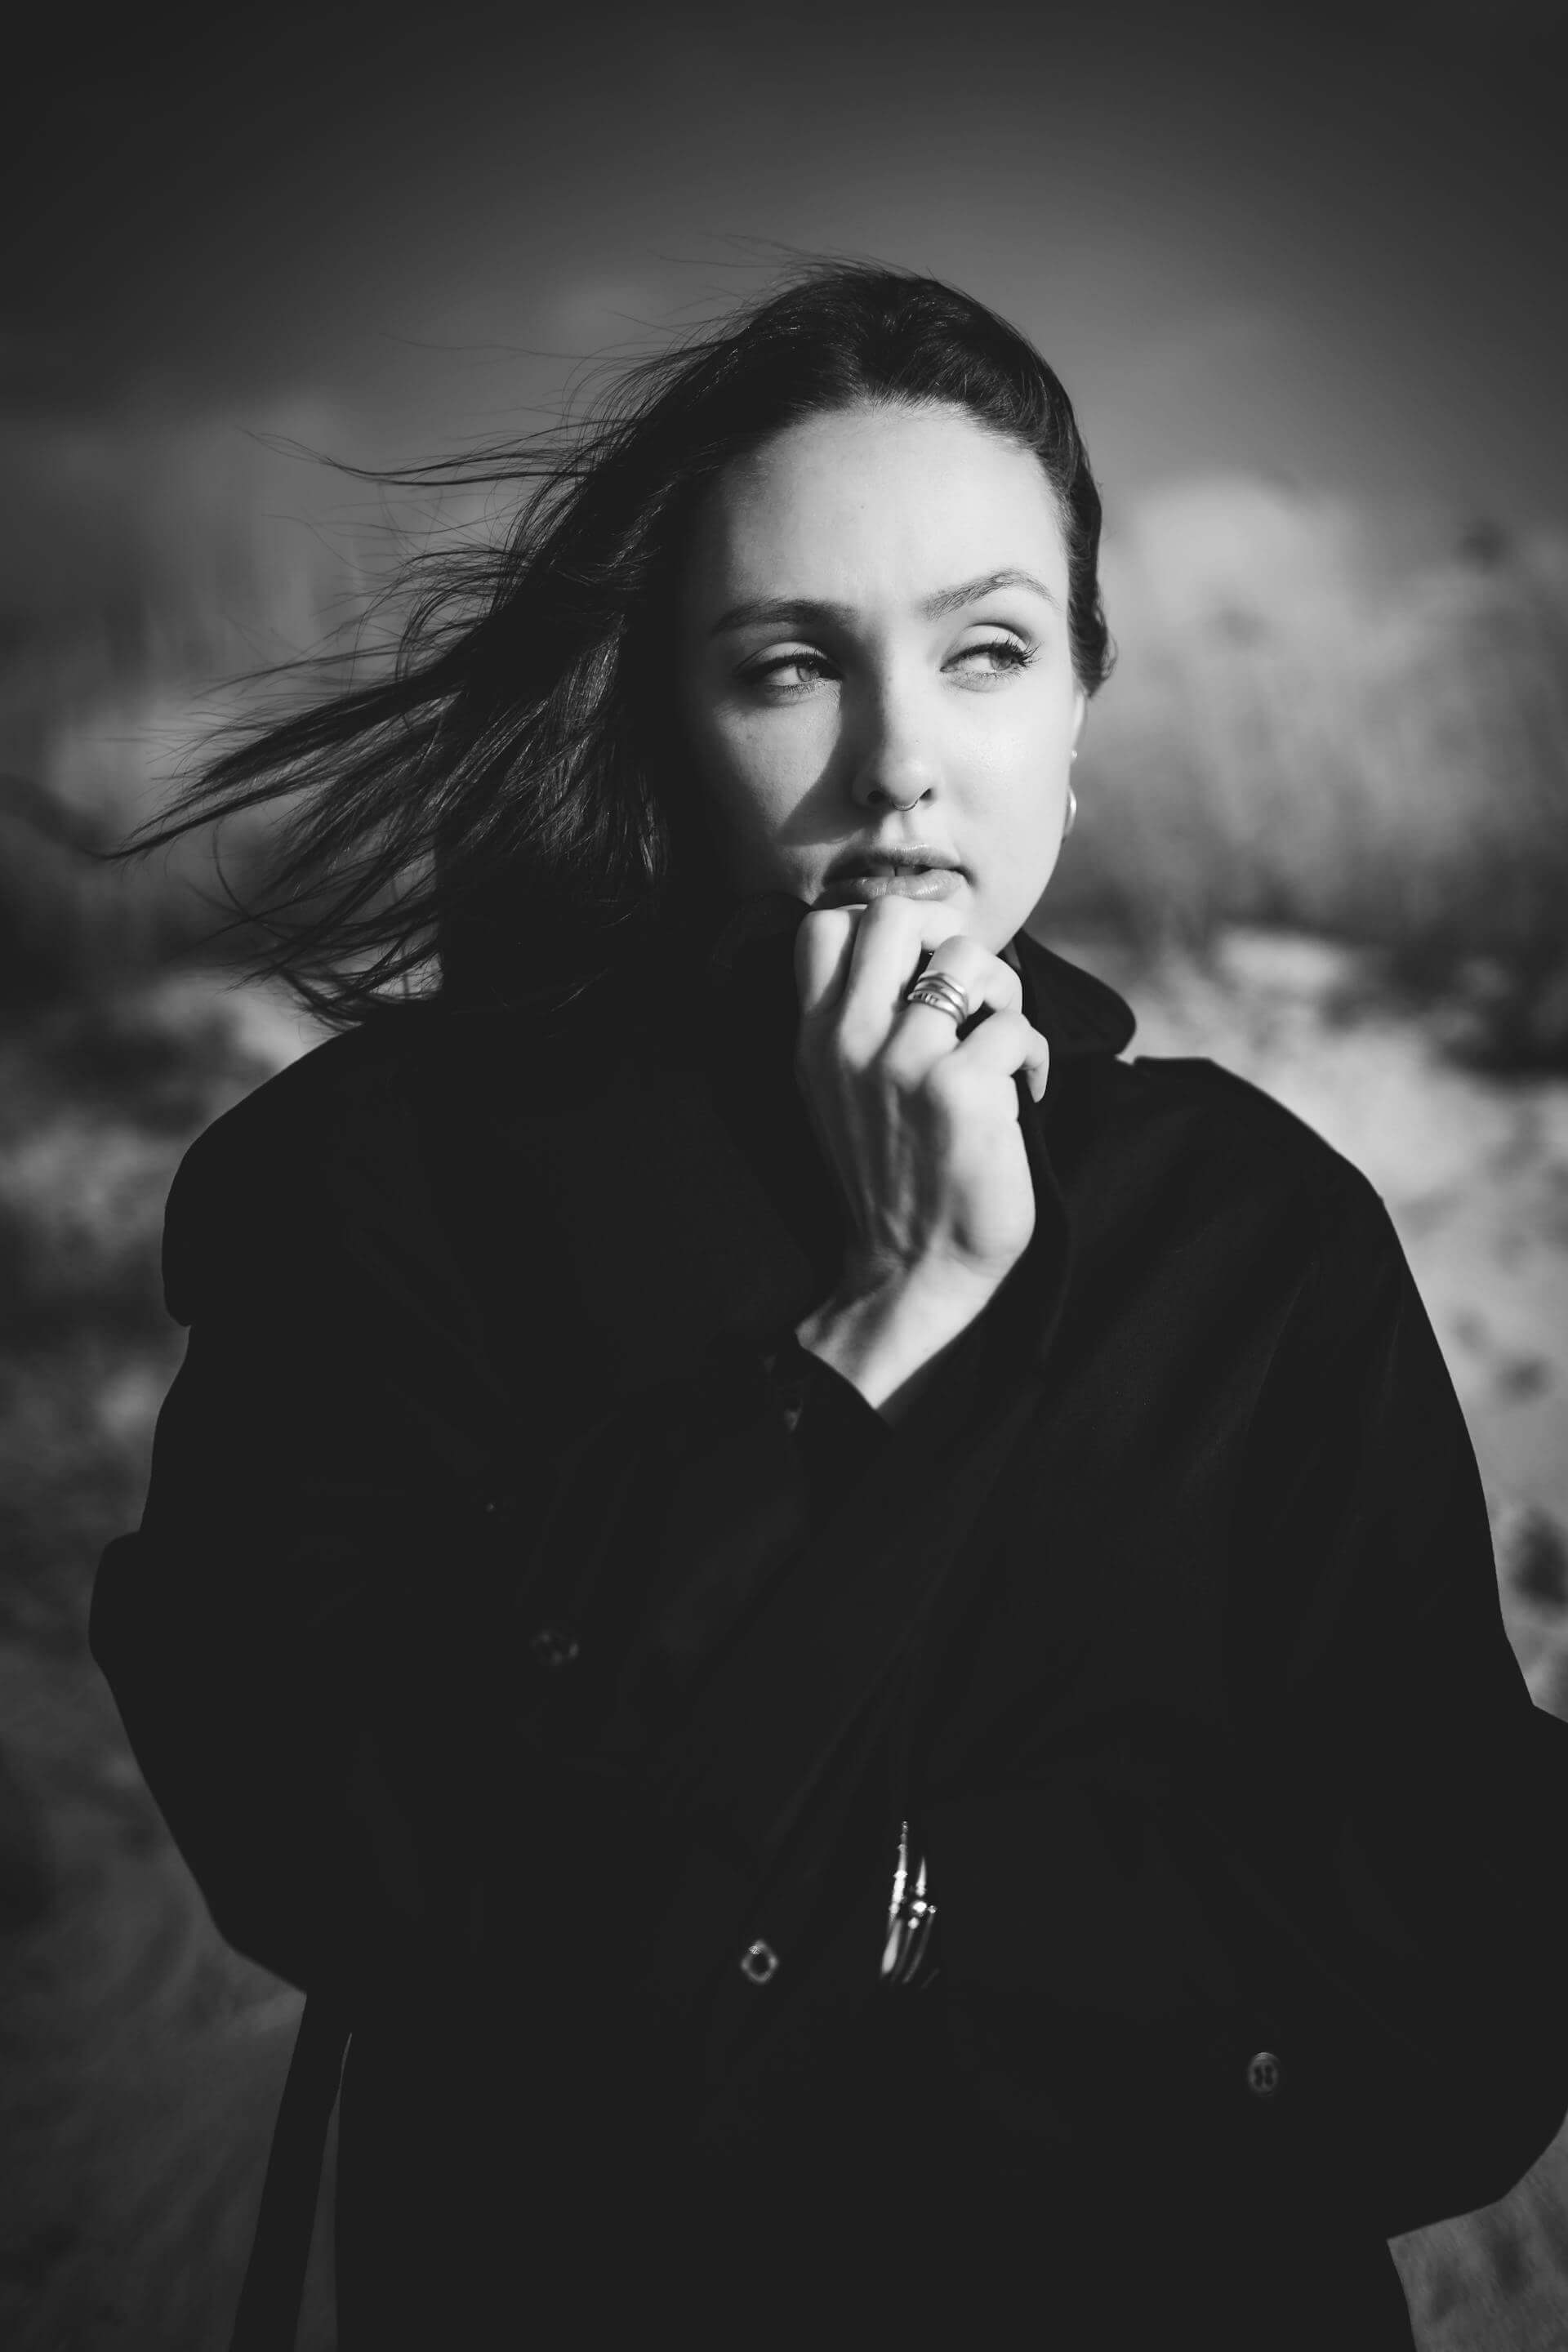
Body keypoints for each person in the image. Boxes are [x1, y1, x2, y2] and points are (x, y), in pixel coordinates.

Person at [90, 261, 1568, 2352]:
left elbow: (1475, 2002)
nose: (901, 768)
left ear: (1078, 705)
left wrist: (904, 1919)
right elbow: (351, 1853)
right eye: (791, 665)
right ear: (665, 715)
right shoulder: (384, 1187)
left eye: (986, 652)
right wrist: (877, 1338)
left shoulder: (1256, 1235)